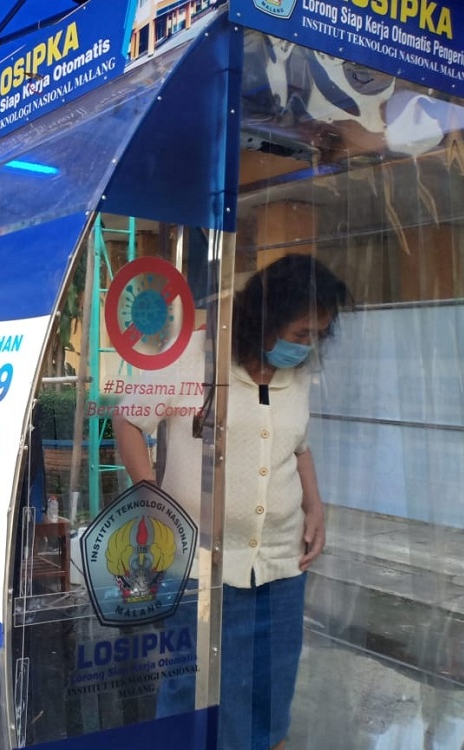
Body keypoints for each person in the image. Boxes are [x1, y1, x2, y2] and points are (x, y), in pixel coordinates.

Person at [113, 254, 350, 750]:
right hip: (202, 565)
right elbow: (128, 420)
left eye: (316, 335)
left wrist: (315, 504)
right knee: (194, 690)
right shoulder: (193, 359)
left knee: (271, 685)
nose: (307, 345)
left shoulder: (295, 375)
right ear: (266, 317)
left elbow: (296, 444)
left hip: (281, 564)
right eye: (301, 332)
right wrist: (151, 498)